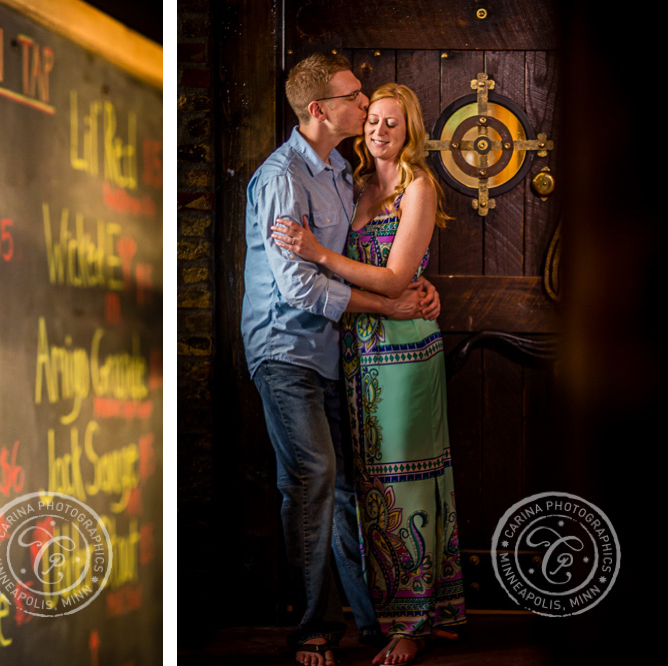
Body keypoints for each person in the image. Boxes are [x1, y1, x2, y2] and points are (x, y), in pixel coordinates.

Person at [241, 54, 440, 666]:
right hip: (285, 350)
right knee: (312, 478)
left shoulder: (336, 172)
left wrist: (413, 291)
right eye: (355, 97)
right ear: (321, 109)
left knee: (347, 487)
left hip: (333, 356)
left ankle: (375, 624)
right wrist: (390, 306)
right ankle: (312, 630)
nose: (365, 106)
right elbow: (299, 287)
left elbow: (387, 258)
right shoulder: (282, 177)